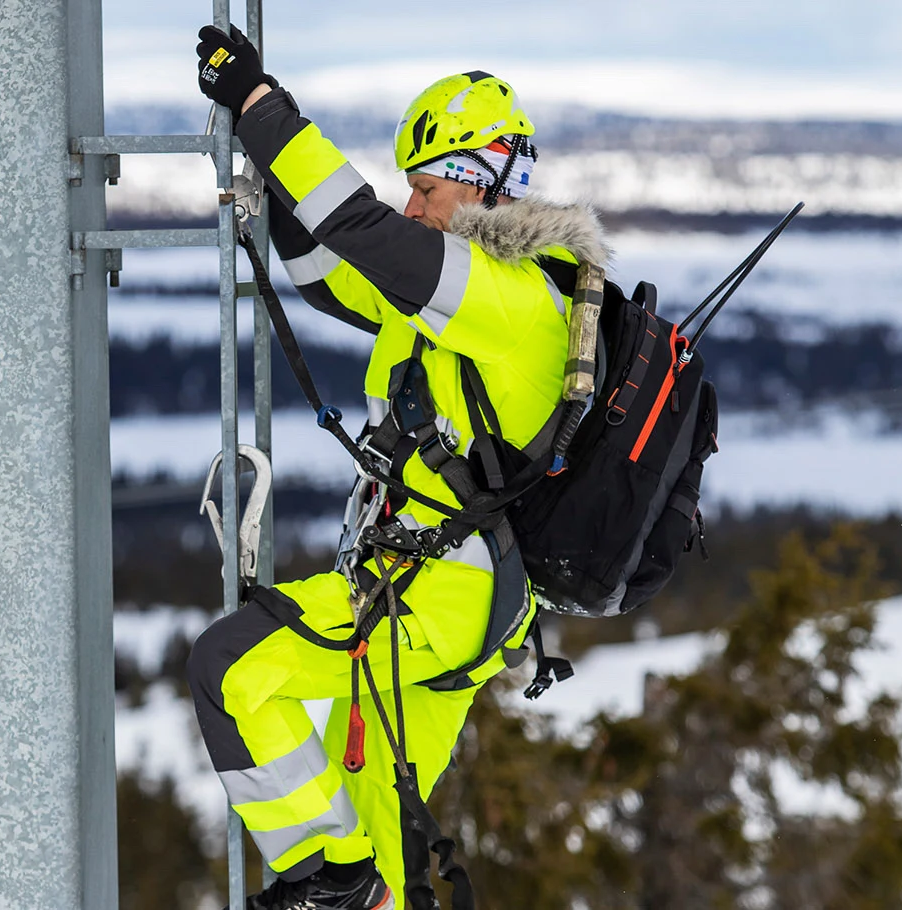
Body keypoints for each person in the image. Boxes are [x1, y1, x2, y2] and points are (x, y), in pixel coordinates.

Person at [187, 24, 610, 910]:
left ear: (486, 179)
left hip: (435, 598)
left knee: (230, 670)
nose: (412, 206)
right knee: (388, 845)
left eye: (425, 187)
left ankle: (325, 874)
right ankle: (363, 882)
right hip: (441, 598)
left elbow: (362, 229)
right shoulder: (457, 304)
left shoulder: (511, 298)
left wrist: (261, 109)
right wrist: (273, 200)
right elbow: (331, 276)